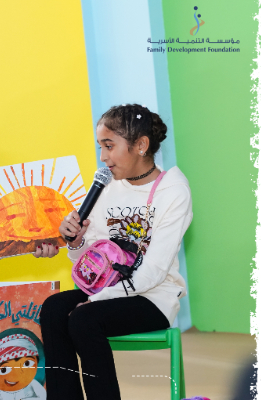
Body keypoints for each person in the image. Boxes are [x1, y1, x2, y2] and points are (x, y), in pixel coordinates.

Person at [34, 104, 193, 400]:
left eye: (109, 146)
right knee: (54, 309)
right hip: (106, 290)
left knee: (83, 319)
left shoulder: (173, 191)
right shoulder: (106, 188)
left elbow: (154, 271)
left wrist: (96, 300)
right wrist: (76, 242)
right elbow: (90, 264)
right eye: (100, 147)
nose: (103, 157)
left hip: (153, 296)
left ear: (141, 146)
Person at [0, 333, 46, 400]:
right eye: (4, 370)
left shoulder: (33, 384)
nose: (17, 374)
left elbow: (43, 396)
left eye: (27, 363)